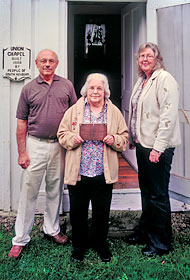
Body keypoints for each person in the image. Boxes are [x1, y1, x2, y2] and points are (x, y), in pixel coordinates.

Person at [8, 49, 77, 259]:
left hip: (59, 146)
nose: (47, 64)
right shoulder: (28, 89)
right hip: (35, 145)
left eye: (51, 61)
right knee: (28, 192)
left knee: (55, 189)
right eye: (43, 61)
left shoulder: (66, 86)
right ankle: (20, 239)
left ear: (57, 63)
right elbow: (21, 122)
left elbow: (75, 114)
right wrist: (22, 152)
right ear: (37, 64)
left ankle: (52, 229)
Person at [57, 73, 128, 262]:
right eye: (92, 88)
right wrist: (73, 138)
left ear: (105, 91)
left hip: (102, 172)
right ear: (85, 91)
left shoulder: (114, 112)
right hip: (79, 171)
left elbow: (124, 138)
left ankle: (100, 244)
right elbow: (62, 134)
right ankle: (79, 246)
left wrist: (115, 140)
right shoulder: (74, 111)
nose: (95, 91)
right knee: (78, 211)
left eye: (99, 88)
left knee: (101, 212)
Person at [127, 42, 181, 256]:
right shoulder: (142, 80)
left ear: (157, 58)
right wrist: (133, 137)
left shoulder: (164, 79)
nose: (145, 59)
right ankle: (145, 232)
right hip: (143, 145)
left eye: (149, 55)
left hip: (158, 148)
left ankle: (160, 243)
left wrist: (158, 149)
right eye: (141, 56)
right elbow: (137, 111)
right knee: (146, 191)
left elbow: (167, 117)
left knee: (158, 194)